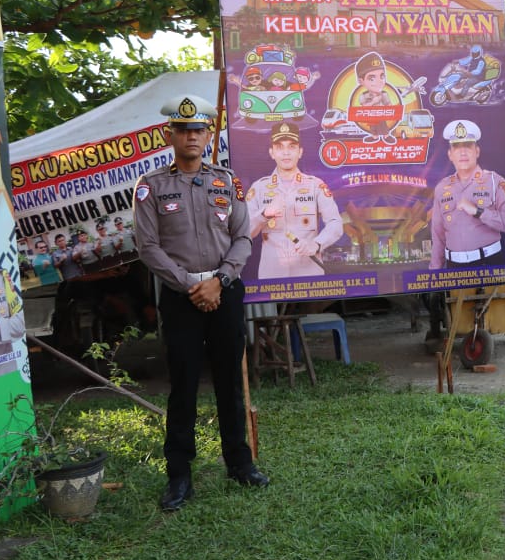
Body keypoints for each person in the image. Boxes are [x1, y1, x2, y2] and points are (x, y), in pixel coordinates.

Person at [133, 94, 268, 512]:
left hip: (225, 291)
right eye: (182, 129)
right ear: (169, 134)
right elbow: (148, 246)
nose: (191, 136)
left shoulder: (227, 181)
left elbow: (243, 237)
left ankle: (239, 464)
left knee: (229, 377)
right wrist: (191, 285)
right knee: (184, 384)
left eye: (198, 129)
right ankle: (179, 475)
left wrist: (219, 281)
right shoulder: (151, 187)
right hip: (180, 296)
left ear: (208, 135)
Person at [246, 122, 345, 279]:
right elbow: (244, 232)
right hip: (272, 276)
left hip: (309, 275)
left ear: (300, 152)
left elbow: (335, 223)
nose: (286, 153)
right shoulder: (258, 188)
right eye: (280, 147)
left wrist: (317, 244)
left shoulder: (316, 185)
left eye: (292, 146)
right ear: (271, 152)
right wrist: (264, 214)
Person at [429, 119, 505, 269]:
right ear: (450, 154)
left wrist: (478, 212)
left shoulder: (495, 181)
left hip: (489, 263)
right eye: (456, 147)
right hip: (454, 266)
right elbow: (438, 234)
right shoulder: (442, 187)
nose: (463, 152)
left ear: (477, 151)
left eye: (468, 146)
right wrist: (434, 270)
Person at [354, 52, 396, 144]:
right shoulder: (364, 96)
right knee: (373, 126)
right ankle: (374, 137)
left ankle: (386, 136)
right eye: (372, 79)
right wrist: (373, 102)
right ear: (361, 81)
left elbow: (389, 104)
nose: (379, 82)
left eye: (382, 76)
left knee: (383, 125)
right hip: (371, 116)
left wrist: (392, 110)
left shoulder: (384, 94)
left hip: (382, 115)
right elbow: (363, 107)